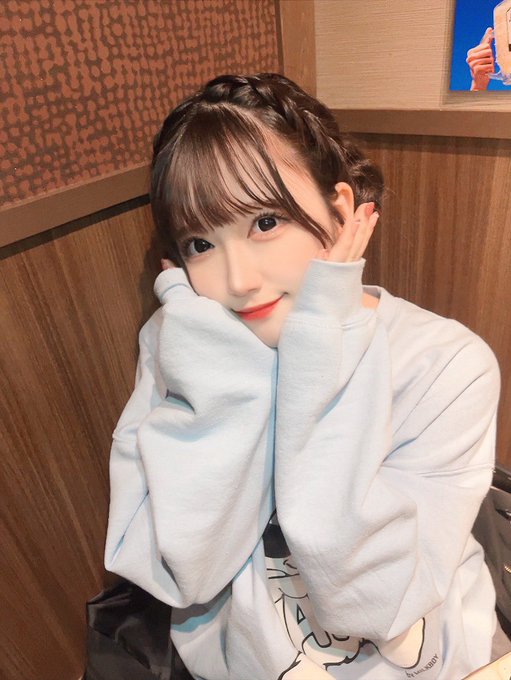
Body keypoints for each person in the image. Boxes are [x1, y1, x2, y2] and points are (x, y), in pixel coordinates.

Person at [104, 73, 502, 679]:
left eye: (265, 222)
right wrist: (214, 361)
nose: (238, 281)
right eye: (199, 244)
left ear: (339, 210)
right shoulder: (183, 338)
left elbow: (377, 601)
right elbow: (185, 572)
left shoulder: (444, 362)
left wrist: (319, 342)